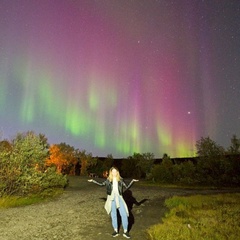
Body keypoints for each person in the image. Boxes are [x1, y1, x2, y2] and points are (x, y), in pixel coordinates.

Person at [88, 167, 139, 238]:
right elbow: (101, 184)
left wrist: (132, 181)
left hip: (119, 198)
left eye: (115, 172)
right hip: (111, 199)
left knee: (124, 214)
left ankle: (125, 231)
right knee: (113, 215)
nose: (114, 173)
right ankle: (115, 231)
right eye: (113, 172)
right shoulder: (108, 180)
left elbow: (127, 187)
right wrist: (93, 181)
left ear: (117, 172)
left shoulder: (120, 180)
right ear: (111, 172)